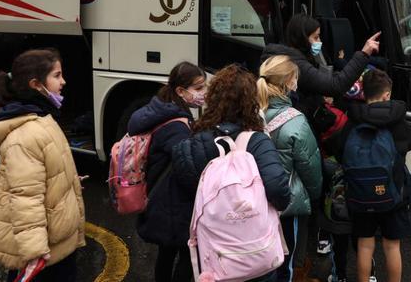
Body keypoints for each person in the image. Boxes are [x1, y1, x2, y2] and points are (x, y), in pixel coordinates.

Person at [172, 64, 291, 280]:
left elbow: (186, 192)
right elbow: (278, 189)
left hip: (215, 257)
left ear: (212, 98)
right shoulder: (258, 142)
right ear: (251, 102)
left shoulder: (194, 142)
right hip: (256, 254)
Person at [0, 49, 86, 282]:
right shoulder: (25, 135)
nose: (63, 82)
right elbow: (25, 197)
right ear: (36, 84)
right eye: (57, 76)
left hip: (54, 245)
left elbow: (42, 175)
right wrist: (36, 253)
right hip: (44, 254)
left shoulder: (41, 118)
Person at [330, 69, 411, 282]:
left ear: (364, 94)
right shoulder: (396, 120)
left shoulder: (354, 118)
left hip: (360, 193)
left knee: (365, 244)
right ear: (387, 95)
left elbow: (339, 149)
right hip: (393, 192)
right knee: (391, 245)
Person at [129, 62, 206, 282]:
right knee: (186, 254)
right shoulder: (177, 125)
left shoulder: (160, 109)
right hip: (173, 202)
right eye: (198, 88)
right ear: (181, 91)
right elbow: (186, 167)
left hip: (160, 196)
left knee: (166, 252)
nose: (203, 93)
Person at [257, 56, 322, 282]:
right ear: (288, 83)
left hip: (253, 203)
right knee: (286, 263)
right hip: (287, 204)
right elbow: (310, 167)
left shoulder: (251, 113)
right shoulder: (296, 121)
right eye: (295, 78)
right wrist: (314, 196)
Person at [262, 14, 380, 134]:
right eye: (316, 37)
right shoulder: (295, 64)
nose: (320, 42)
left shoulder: (290, 57)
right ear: (302, 38)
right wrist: (364, 54)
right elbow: (336, 86)